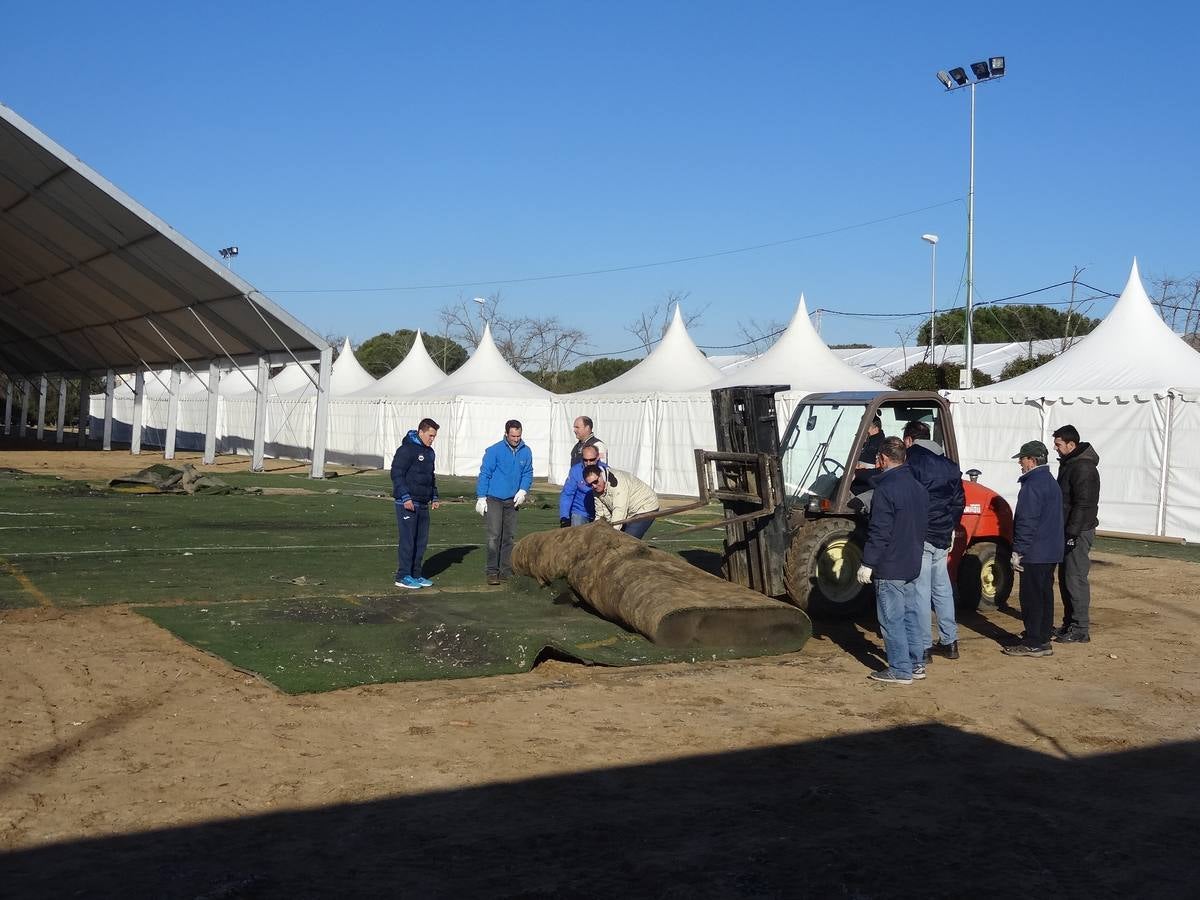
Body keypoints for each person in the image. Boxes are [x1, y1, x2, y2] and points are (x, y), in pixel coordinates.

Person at [855, 436, 929, 685]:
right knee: (909, 615)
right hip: (911, 561)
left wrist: (868, 562)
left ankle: (900, 668)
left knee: (891, 619)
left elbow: (880, 531)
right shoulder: (918, 487)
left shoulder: (885, 490)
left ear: (883, 459)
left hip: (890, 564)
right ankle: (916, 663)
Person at [902, 421, 966, 661]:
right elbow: (959, 500)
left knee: (919, 590)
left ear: (909, 440)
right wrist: (950, 524)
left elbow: (908, 496)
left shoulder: (912, 461)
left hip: (921, 533)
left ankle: (923, 645)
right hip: (943, 532)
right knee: (942, 589)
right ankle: (950, 642)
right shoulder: (950, 465)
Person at [1004, 440, 1064, 658]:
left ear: (1031, 460)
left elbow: (1026, 521)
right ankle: (1042, 636)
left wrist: (1018, 551)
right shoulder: (1050, 482)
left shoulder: (1033, 485)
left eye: (1022, 458)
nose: (1020, 463)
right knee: (1045, 595)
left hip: (1035, 552)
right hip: (1049, 550)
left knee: (1032, 599)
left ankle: (1033, 641)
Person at [1052, 424, 1100, 643]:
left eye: (1058, 444)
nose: (1055, 448)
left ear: (1071, 444)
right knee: (1065, 577)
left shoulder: (1083, 468)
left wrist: (1072, 533)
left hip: (1079, 531)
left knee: (1075, 578)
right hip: (1070, 529)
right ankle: (1069, 623)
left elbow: (1084, 504)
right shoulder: (1070, 464)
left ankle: (1080, 628)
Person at [476, 419, 534, 586]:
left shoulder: (526, 451)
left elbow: (528, 473)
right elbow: (485, 473)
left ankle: (505, 571)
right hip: (494, 498)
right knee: (494, 536)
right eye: (513, 436)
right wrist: (481, 496)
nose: (516, 439)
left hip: (512, 501)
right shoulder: (494, 451)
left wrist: (523, 490)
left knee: (508, 537)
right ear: (506, 434)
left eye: (518, 436)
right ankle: (492, 571)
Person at [390, 418, 441, 589]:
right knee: (408, 540)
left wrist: (434, 496)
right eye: (430, 435)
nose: (432, 439)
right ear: (421, 432)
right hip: (407, 503)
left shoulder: (430, 452)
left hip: (423, 502)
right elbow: (397, 473)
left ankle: (416, 574)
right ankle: (403, 575)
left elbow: (430, 477)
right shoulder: (406, 450)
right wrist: (405, 496)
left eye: (434, 436)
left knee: (421, 541)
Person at [583, 464, 659, 539]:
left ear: (601, 475)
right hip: (629, 511)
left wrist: (611, 534)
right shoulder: (596, 489)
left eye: (596, 481)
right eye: (590, 485)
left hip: (646, 506)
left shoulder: (617, 482)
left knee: (627, 541)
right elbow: (601, 513)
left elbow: (619, 510)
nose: (594, 486)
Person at [559, 443, 606, 527]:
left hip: (601, 511)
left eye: (592, 460)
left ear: (598, 457)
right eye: (585, 460)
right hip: (580, 511)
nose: (588, 463)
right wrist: (564, 517)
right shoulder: (575, 471)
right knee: (577, 537)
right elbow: (567, 494)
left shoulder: (605, 471)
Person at [851, 416, 885, 493]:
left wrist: (861, 469)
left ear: (875, 428)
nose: (863, 428)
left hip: (867, 486)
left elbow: (880, 469)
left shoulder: (881, 444)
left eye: (866, 426)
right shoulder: (866, 442)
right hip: (858, 479)